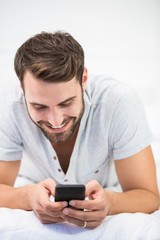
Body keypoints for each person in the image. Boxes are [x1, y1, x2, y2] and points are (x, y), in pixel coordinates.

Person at [0, 31, 159, 237]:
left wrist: (111, 202)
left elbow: (149, 195)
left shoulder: (119, 101)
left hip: (110, 185)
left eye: (66, 103)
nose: (55, 121)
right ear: (22, 88)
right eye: (39, 107)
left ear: (84, 79)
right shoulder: (9, 105)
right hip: (31, 178)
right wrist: (28, 196)